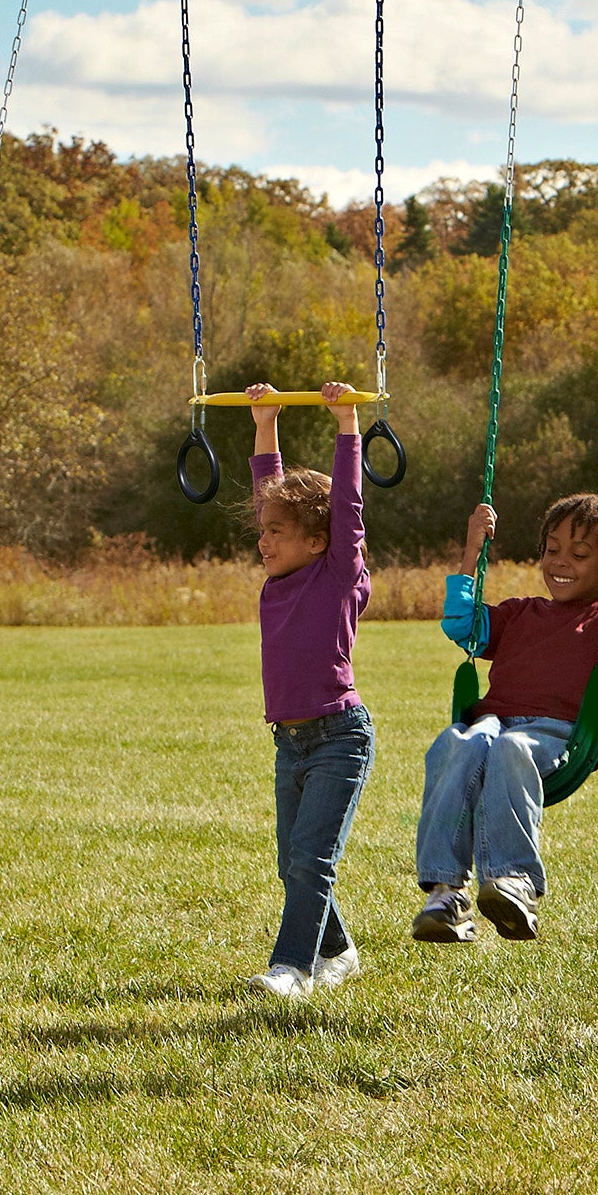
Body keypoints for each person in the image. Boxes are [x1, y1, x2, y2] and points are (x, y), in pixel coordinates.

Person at [413, 493, 598, 944]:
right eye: (552, 549)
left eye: (579, 553)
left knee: (512, 749)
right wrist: (472, 550)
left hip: (558, 736)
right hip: (492, 724)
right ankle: (446, 893)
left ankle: (514, 880)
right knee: (455, 742)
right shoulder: (521, 612)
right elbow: (463, 627)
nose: (561, 562)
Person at [245, 380, 374, 1003]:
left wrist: (347, 423)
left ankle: (291, 967)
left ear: (317, 541)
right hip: (289, 742)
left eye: (276, 532)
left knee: (309, 863)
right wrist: (265, 424)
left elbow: (347, 507)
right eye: (263, 531)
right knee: (290, 865)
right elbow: (269, 487)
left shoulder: (337, 576)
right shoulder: (278, 580)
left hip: (337, 739)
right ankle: (338, 951)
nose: (263, 541)